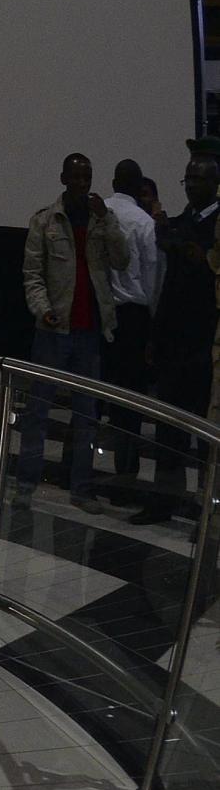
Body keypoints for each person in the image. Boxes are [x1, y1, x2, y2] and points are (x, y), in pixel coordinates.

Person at [16, 152, 127, 507]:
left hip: (90, 331)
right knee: (38, 411)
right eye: (76, 177)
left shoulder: (100, 220)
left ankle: (81, 488)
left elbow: (122, 260)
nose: (82, 184)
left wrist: (106, 219)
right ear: (63, 178)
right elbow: (32, 274)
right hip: (54, 331)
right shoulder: (46, 221)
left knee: (87, 415)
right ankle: (25, 484)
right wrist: (43, 310)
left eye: (88, 177)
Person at [140, 147, 220, 523]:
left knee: (205, 433)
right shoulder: (183, 221)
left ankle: (206, 509)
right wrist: (155, 336)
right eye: (187, 178)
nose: (191, 185)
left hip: (205, 344)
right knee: (167, 428)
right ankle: (163, 500)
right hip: (174, 341)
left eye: (199, 178)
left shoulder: (215, 225)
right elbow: (168, 285)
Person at [100, 159, 164, 491]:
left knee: (100, 396)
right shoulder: (143, 223)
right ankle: (126, 475)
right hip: (134, 318)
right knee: (131, 402)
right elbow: (153, 277)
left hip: (101, 312)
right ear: (140, 186)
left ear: (113, 181)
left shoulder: (101, 213)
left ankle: (85, 471)